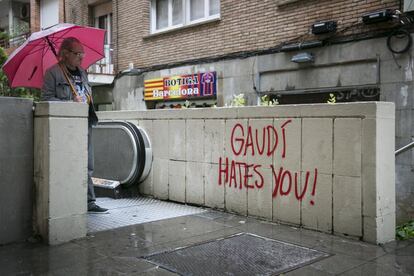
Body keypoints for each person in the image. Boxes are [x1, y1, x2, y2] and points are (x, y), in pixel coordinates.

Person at [41, 37, 108, 213]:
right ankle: (67, 201)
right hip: (65, 127)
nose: (81, 57)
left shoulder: (83, 72)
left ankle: (89, 202)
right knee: (67, 163)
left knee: (88, 164)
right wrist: (70, 102)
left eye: (82, 53)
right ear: (65, 54)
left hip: (84, 123)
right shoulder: (53, 73)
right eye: (77, 53)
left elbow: (87, 95)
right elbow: (46, 99)